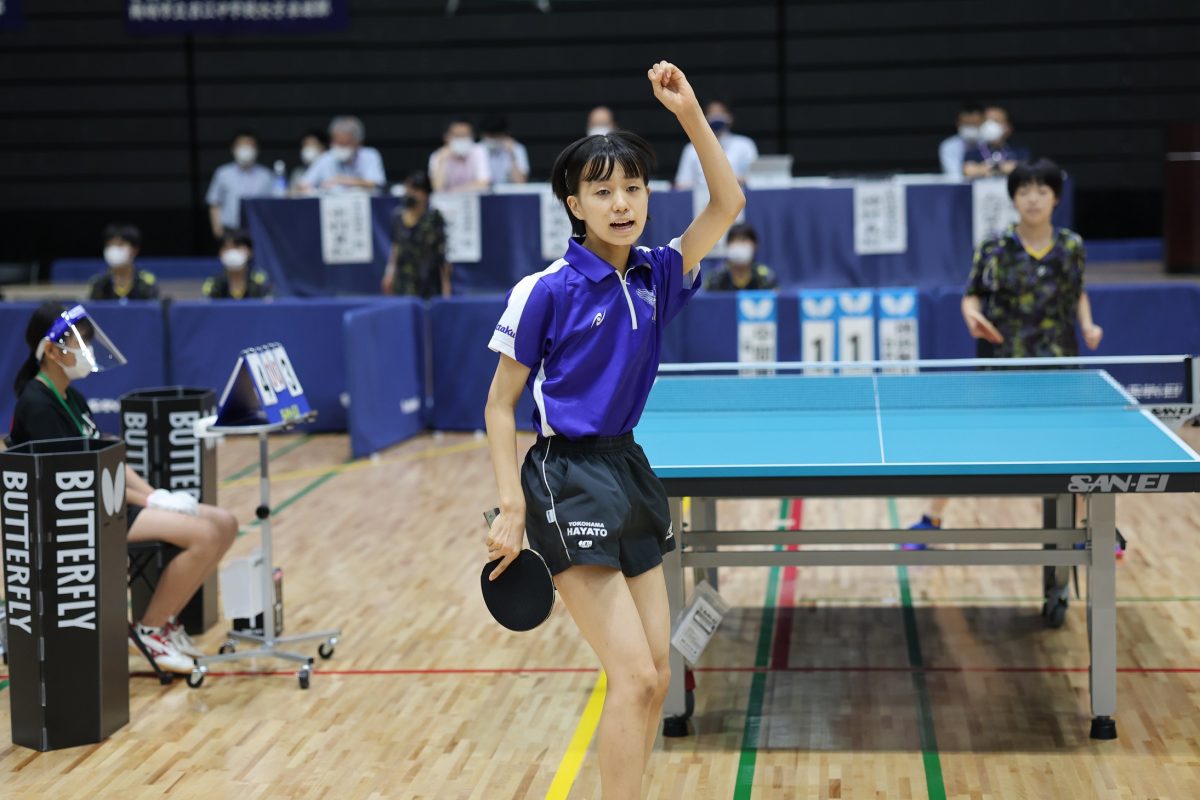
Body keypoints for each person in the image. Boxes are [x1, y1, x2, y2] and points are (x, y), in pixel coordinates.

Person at [484, 61, 744, 798]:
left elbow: (728, 203)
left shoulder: (657, 274)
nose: (621, 202)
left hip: (629, 468)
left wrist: (691, 114)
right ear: (575, 204)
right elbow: (500, 406)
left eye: (632, 188)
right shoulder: (546, 291)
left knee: (657, 677)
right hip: (565, 478)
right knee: (631, 677)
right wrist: (511, 505)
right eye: (602, 191)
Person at [7, 304, 239, 673]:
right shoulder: (37, 404)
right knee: (205, 535)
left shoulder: (74, 398)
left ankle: (165, 621)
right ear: (51, 350)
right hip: (77, 516)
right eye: (78, 341)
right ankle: (149, 632)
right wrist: (150, 501)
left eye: (87, 339)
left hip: (108, 502)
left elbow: (109, 461)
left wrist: (157, 495)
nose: (86, 349)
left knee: (226, 522)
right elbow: (81, 478)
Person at [908, 159, 1102, 538]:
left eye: (1041, 191)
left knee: (1073, 450)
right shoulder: (994, 247)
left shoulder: (1070, 246)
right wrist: (971, 317)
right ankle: (932, 519)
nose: (1033, 199)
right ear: (1013, 198)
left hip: (1058, 363)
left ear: (1055, 198)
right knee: (968, 442)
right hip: (1001, 364)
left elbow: (1077, 291)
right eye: (1024, 191)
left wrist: (1088, 324)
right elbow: (971, 296)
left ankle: (1091, 527)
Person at [382, 172, 451, 299]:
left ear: (425, 193)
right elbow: (395, 248)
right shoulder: (398, 217)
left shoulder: (434, 218)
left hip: (428, 279)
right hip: (404, 279)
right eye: (408, 190)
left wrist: (446, 286)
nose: (410, 194)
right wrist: (389, 274)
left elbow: (442, 255)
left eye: (415, 190)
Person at [673, 100, 758, 189]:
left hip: (740, 198)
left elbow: (757, 179)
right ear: (703, 118)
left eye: (720, 112)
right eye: (711, 113)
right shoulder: (691, 149)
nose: (716, 116)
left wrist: (740, 180)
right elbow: (682, 184)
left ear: (730, 118)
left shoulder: (745, 144)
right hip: (703, 200)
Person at [206, 131, 274, 238]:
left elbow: (273, 204)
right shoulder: (223, 173)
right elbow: (214, 203)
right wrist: (218, 232)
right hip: (230, 231)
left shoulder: (266, 175)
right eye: (241, 145)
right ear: (233, 148)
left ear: (257, 149)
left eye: (249, 145)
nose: (245, 149)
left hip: (259, 231)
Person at [299, 116, 387, 194]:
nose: (339, 147)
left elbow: (375, 183)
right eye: (336, 143)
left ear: (357, 143)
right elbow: (303, 185)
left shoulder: (370, 155)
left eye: (344, 144)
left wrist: (341, 180)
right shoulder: (326, 158)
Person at [89, 224, 159, 301]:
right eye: (110, 245)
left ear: (135, 250)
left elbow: (151, 311)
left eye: (120, 245)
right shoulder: (98, 282)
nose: (114, 250)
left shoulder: (146, 282)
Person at [703, 223, 778, 291]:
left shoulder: (765, 278)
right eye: (734, 240)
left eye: (743, 240)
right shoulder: (715, 279)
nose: (739, 245)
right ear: (728, 246)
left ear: (755, 245)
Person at [962, 105, 1031, 179]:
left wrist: (983, 168)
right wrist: (1002, 168)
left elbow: (1025, 170)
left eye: (996, 121)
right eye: (986, 121)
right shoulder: (972, 154)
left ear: (1008, 127)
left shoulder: (1021, 153)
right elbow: (968, 171)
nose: (989, 125)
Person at [203, 229, 272, 300]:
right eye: (227, 247)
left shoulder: (260, 281)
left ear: (250, 251)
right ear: (220, 253)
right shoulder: (213, 283)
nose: (232, 252)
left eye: (237, 247)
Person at [429, 120, 490, 192]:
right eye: (457, 136)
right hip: (448, 202)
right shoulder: (438, 155)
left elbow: (484, 183)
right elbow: (438, 188)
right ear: (446, 137)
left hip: (474, 199)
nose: (461, 139)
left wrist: (453, 191)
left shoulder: (479, 151)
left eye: (465, 135)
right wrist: (441, 161)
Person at [479, 113, 530, 186]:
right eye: (490, 136)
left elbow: (520, 183)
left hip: (509, 195)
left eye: (496, 136)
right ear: (483, 134)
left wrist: (511, 154)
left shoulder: (516, 148)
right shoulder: (476, 150)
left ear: (504, 134)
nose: (492, 140)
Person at [939, 101, 984, 178]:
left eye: (974, 124)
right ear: (958, 123)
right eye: (967, 124)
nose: (971, 128)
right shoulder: (949, 146)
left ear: (983, 122)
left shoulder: (989, 142)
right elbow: (954, 175)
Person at [290, 129, 327, 194]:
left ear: (322, 147)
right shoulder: (298, 172)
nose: (308, 148)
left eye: (312, 144)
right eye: (305, 145)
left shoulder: (329, 166)